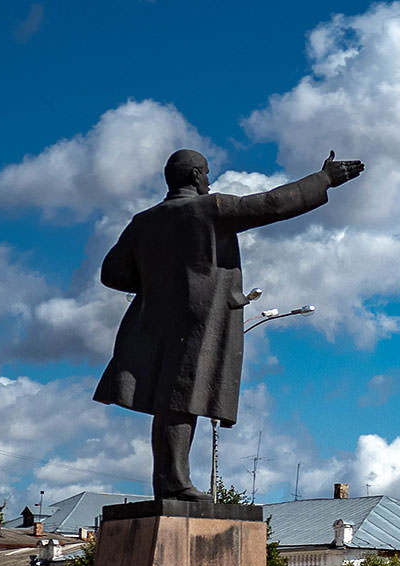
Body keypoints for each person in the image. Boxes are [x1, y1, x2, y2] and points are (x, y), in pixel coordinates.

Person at [94, 148, 364, 501]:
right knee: (181, 398)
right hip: (199, 317)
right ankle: (175, 483)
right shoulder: (208, 208)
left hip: (153, 319)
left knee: (169, 401)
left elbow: (112, 273)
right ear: (195, 176)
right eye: (206, 173)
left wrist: (159, 285)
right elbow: (271, 204)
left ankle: (170, 482)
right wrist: (324, 179)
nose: (209, 180)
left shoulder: (142, 222)